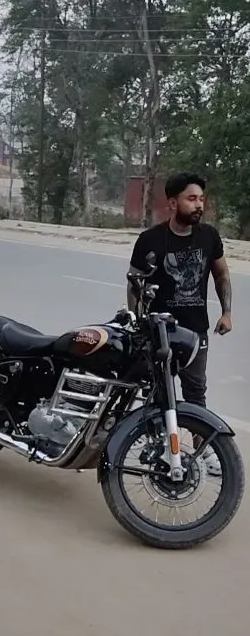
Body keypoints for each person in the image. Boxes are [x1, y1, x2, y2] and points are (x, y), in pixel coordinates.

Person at [127, 172, 232, 475]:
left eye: (201, 198)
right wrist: (135, 320)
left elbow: (221, 274)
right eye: (191, 198)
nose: (199, 204)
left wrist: (227, 312)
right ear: (172, 203)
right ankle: (158, 448)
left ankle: (203, 451)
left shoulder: (209, 236)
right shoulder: (150, 240)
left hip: (195, 332)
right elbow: (134, 283)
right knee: (154, 392)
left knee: (196, 393)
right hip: (158, 333)